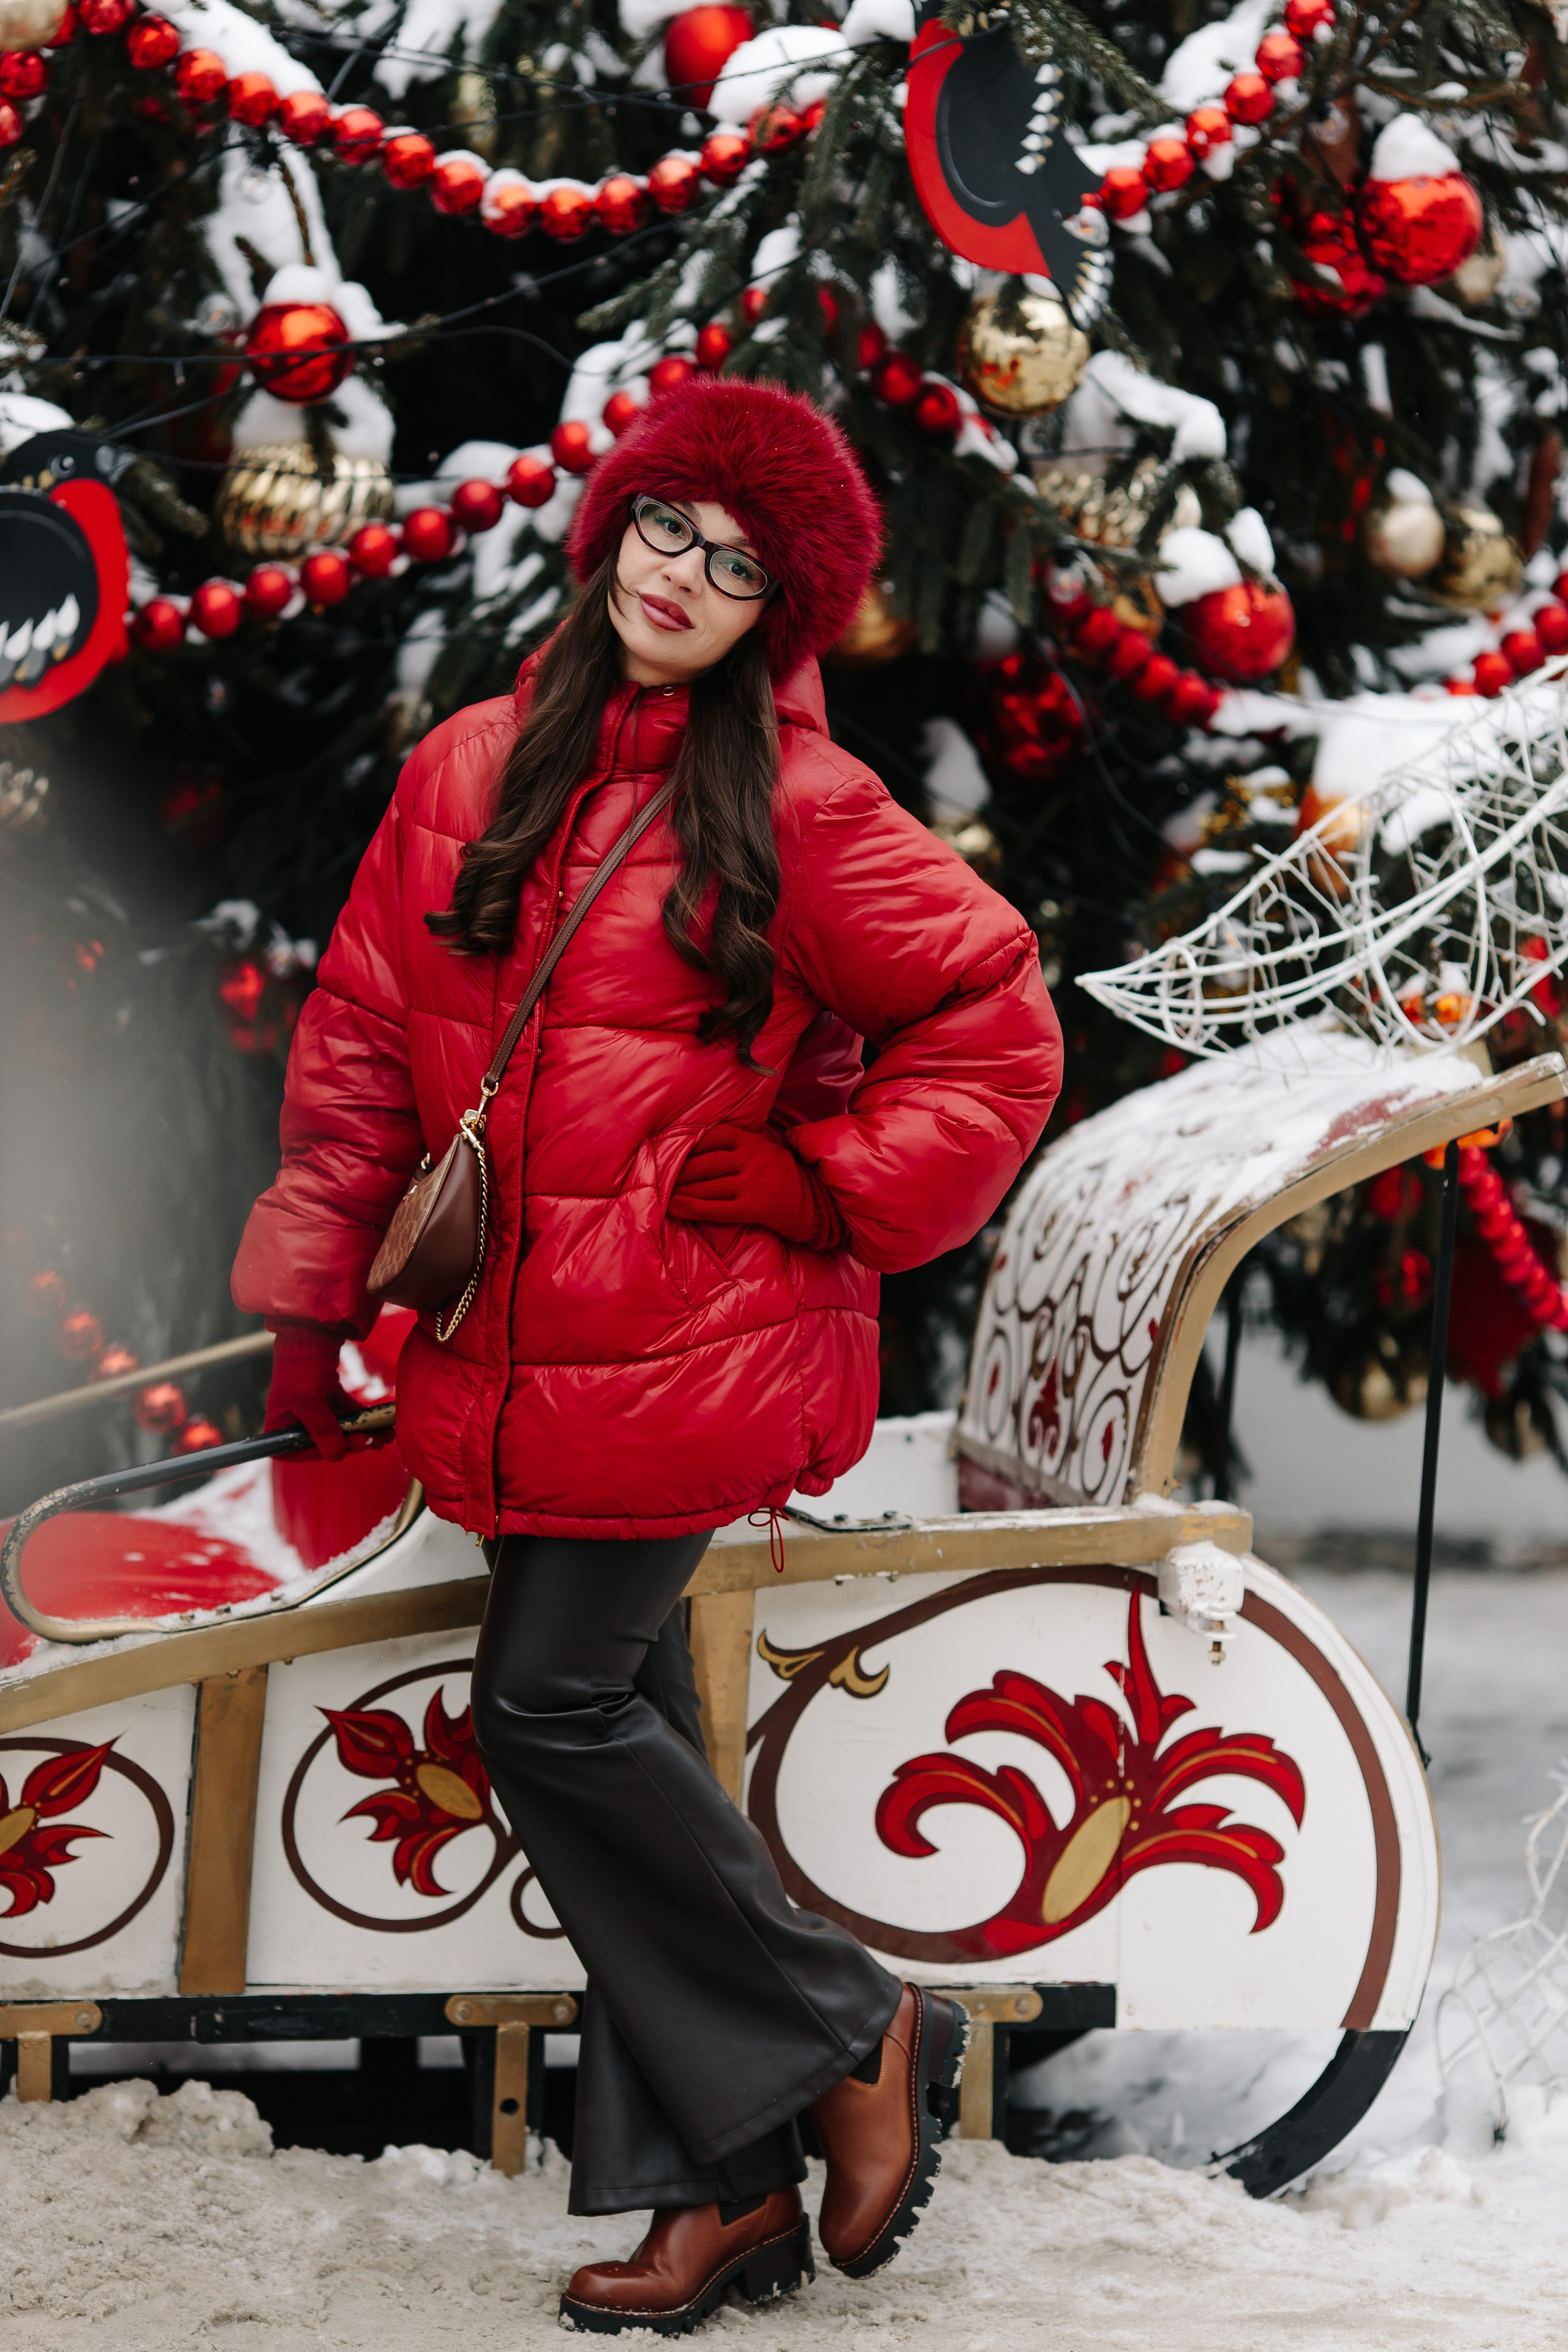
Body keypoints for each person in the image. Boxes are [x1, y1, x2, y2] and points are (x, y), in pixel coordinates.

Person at [233, 376, 1062, 2335]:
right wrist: (307, 1301)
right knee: (633, 1744)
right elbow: (362, 1048)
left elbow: (996, 1029)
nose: (685, 579)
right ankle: (725, 2197)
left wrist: (817, 1184)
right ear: (609, 533)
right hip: (511, 1351)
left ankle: (860, 2026)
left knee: (550, 1712)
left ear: (782, 614)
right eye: (666, 533)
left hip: (692, 1346)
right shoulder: (469, 766)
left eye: (739, 566)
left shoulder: (801, 805)